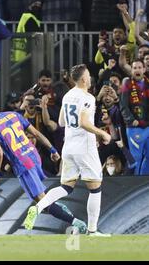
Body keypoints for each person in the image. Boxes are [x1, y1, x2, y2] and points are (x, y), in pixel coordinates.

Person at [0, 93, 87, 233]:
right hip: (33, 155)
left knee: (42, 201)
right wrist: (52, 150)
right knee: (42, 198)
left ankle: (76, 222)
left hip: (23, 163)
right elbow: (36, 133)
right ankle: (57, 206)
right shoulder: (13, 115)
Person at [24, 64, 112, 236]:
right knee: (95, 188)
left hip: (68, 147)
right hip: (84, 147)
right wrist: (102, 134)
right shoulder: (88, 97)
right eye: (88, 76)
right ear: (84, 78)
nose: (90, 78)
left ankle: (39, 206)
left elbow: (63, 122)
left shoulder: (68, 96)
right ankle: (92, 231)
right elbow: (84, 123)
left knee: (66, 186)